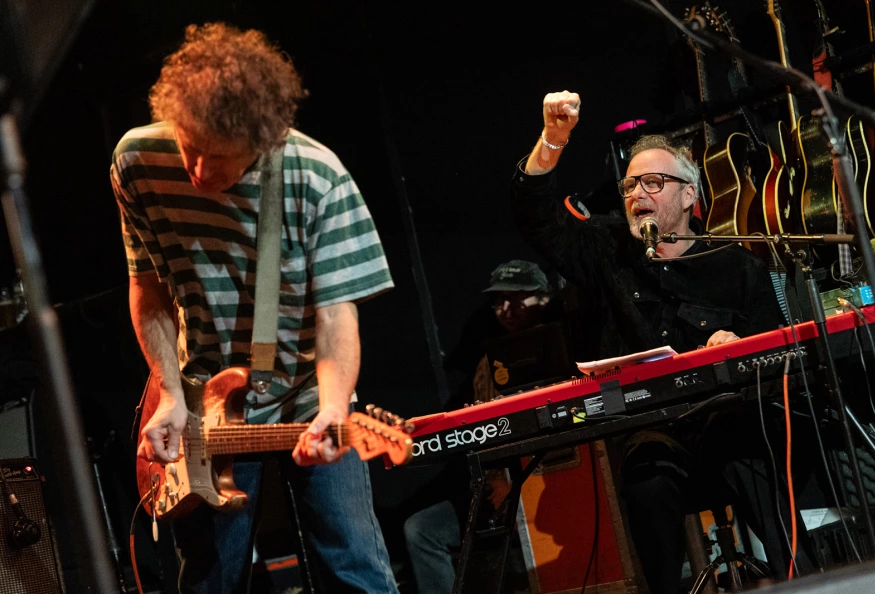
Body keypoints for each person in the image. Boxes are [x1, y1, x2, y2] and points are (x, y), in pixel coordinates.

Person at [110, 23, 399, 593]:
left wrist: (336, 408)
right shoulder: (138, 160)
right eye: (189, 146)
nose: (198, 171)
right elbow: (148, 287)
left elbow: (336, 317)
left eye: (220, 159)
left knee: (355, 570)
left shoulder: (317, 178)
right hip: (201, 402)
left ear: (264, 142)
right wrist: (169, 392)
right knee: (209, 582)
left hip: (306, 395)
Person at [510, 90, 817, 593]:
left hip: (735, 427)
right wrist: (552, 140)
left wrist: (739, 346)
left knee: (744, 443)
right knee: (647, 477)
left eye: (653, 182)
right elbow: (539, 223)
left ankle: (804, 580)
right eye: (630, 184)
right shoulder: (609, 249)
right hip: (659, 433)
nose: (636, 194)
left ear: (689, 197)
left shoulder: (737, 266)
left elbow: (781, 355)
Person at [402, 259, 566, 594]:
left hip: (554, 484)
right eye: (498, 301)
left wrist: (519, 485)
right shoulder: (488, 364)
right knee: (420, 528)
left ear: (544, 298)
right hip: (500, 487)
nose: (507, 309)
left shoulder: (566, 347)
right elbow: (485, 437)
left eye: (518, 299)